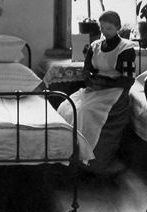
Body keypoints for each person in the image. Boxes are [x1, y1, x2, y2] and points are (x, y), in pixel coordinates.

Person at [58, 10, 136, 176]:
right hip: (96, 88)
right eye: (102, 28)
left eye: (109, 28)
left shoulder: (126, 49)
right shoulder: (95, 46)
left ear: (118, 28)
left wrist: (106, 84)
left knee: (84, 112)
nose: (105, 32)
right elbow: (87, 69)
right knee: (67, 107)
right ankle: (69, 154)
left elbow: (128, 80)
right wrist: (91, 80)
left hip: (115, 91)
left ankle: (86, 158)